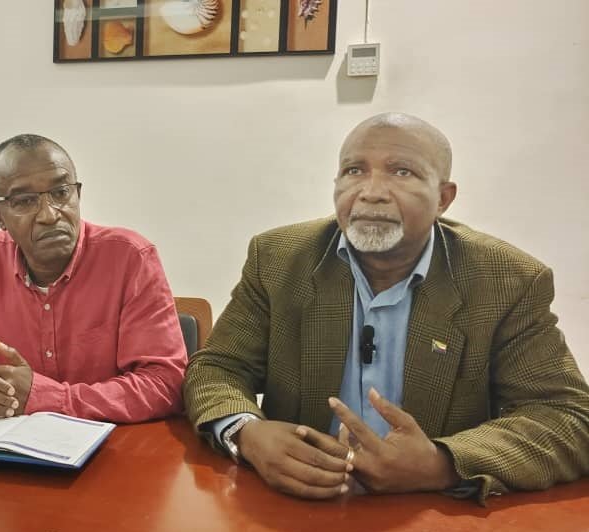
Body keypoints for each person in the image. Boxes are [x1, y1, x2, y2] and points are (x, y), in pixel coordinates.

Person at [184, 113, 589, 503]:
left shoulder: (505, 280)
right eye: (354, 170)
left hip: (437, 514)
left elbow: (567, 416)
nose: (371, 192)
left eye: (402, 172)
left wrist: (441, 463)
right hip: (297, 505)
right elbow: (218, 367)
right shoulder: (278, 259)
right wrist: (246, 432)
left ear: (443, 198)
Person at [0, 134, 186, 422]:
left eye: (61, 193)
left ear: (78, 194)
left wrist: (47, 398)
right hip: (3, 444)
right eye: (25, 201)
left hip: (113, 445)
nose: (49, 215)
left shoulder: (130, 258)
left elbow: (165, 383)